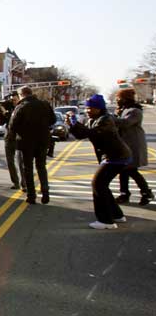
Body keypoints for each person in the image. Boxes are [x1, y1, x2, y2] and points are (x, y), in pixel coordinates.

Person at [67, 94, 131, 230]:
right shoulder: (93, 120)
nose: (88, 110)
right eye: (87, 107)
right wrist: (72, 124)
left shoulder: (105, 120)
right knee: (102, 185)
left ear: (99, 108)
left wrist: (75, 123)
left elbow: (93, 133)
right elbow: (82, 134)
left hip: (116, 157)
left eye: (91, 108)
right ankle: (117, 215)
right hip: (112, 157)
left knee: (97, 184)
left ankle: (106, 221)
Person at [8, 86, 56, 204]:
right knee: (41, 166)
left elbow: (12, 126)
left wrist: (16, 136)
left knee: (27, 169)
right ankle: (45, 192)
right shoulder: (44, 104)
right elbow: (53, 120)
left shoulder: (21, 107)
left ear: (22, 95)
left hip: (26, 142)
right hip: (42, 141)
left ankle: (31, 196)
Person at [113, 88, 153, 206]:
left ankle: (146, 192)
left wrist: (110, 118)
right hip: (125, 145)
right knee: (124, 169)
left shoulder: (135, 111)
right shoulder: (123, 110)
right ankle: (125, 193)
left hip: (133, 146)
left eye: (119, 98)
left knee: (131, 170)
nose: (117, 100)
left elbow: (125, 123)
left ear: (126, 98)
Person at [0, 91, 24, 190]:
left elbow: (18, 119)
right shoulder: (7, 106)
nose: (13, 101)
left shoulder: (22, 107)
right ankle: (15, 182)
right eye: (12, 100)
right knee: (10, 161)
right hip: (9, 136)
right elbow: (1, 123)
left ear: (19, 98)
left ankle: (24, 183)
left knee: (21, 161)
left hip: (20, 136)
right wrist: (0, 111)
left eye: (15, 99)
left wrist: (8, 113)